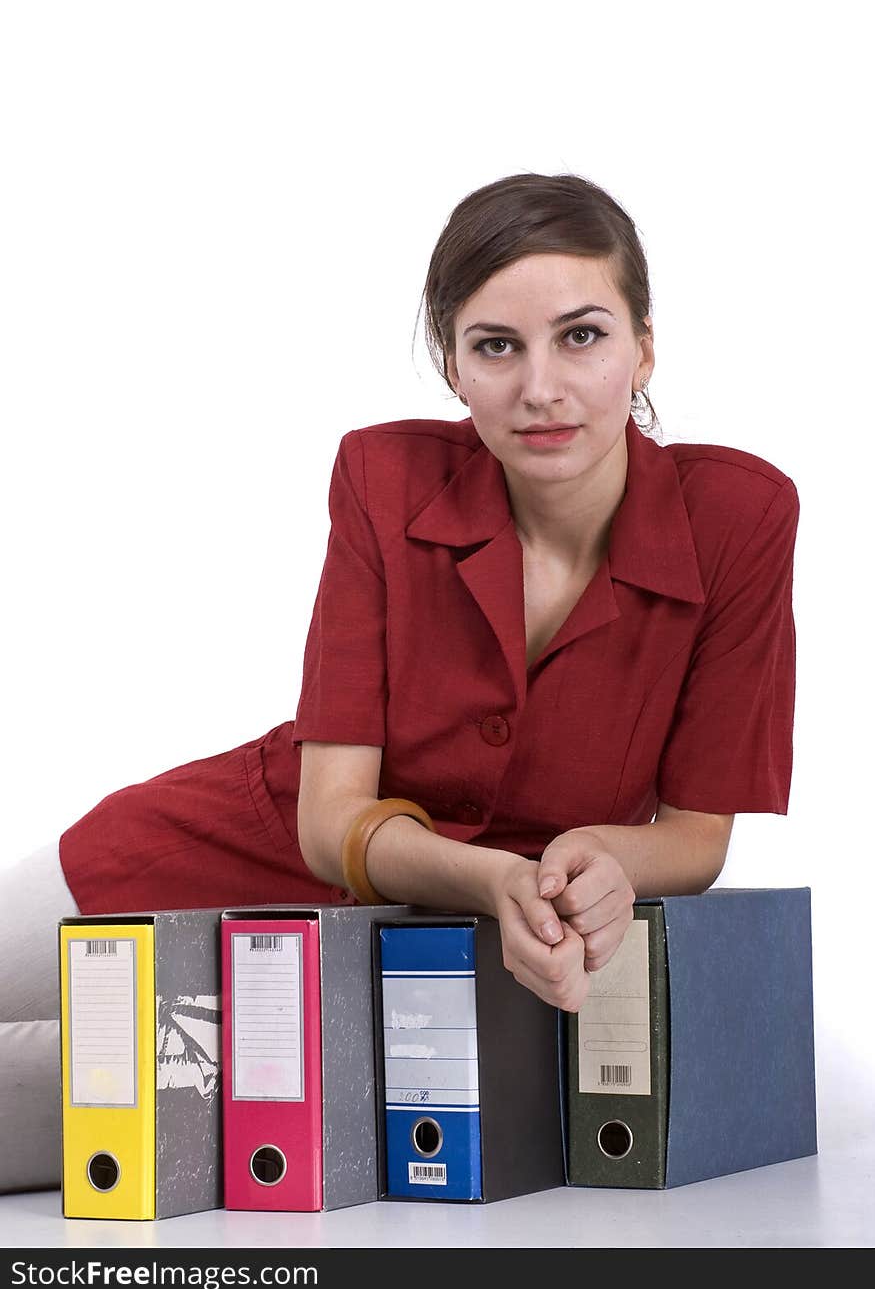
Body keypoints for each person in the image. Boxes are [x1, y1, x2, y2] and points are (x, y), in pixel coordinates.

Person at [0, 172, 800, 1192]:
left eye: (582, 335)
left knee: (69, 1114)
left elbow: (697, 834)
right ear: (454, 365)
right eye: (495, 345)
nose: (540, 386)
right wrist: (496, 878)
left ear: (645, 345)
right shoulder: (385, 480)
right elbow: (329, 814)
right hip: (208, 847)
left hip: (380, 980)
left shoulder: (739, 517)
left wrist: (600, 860)